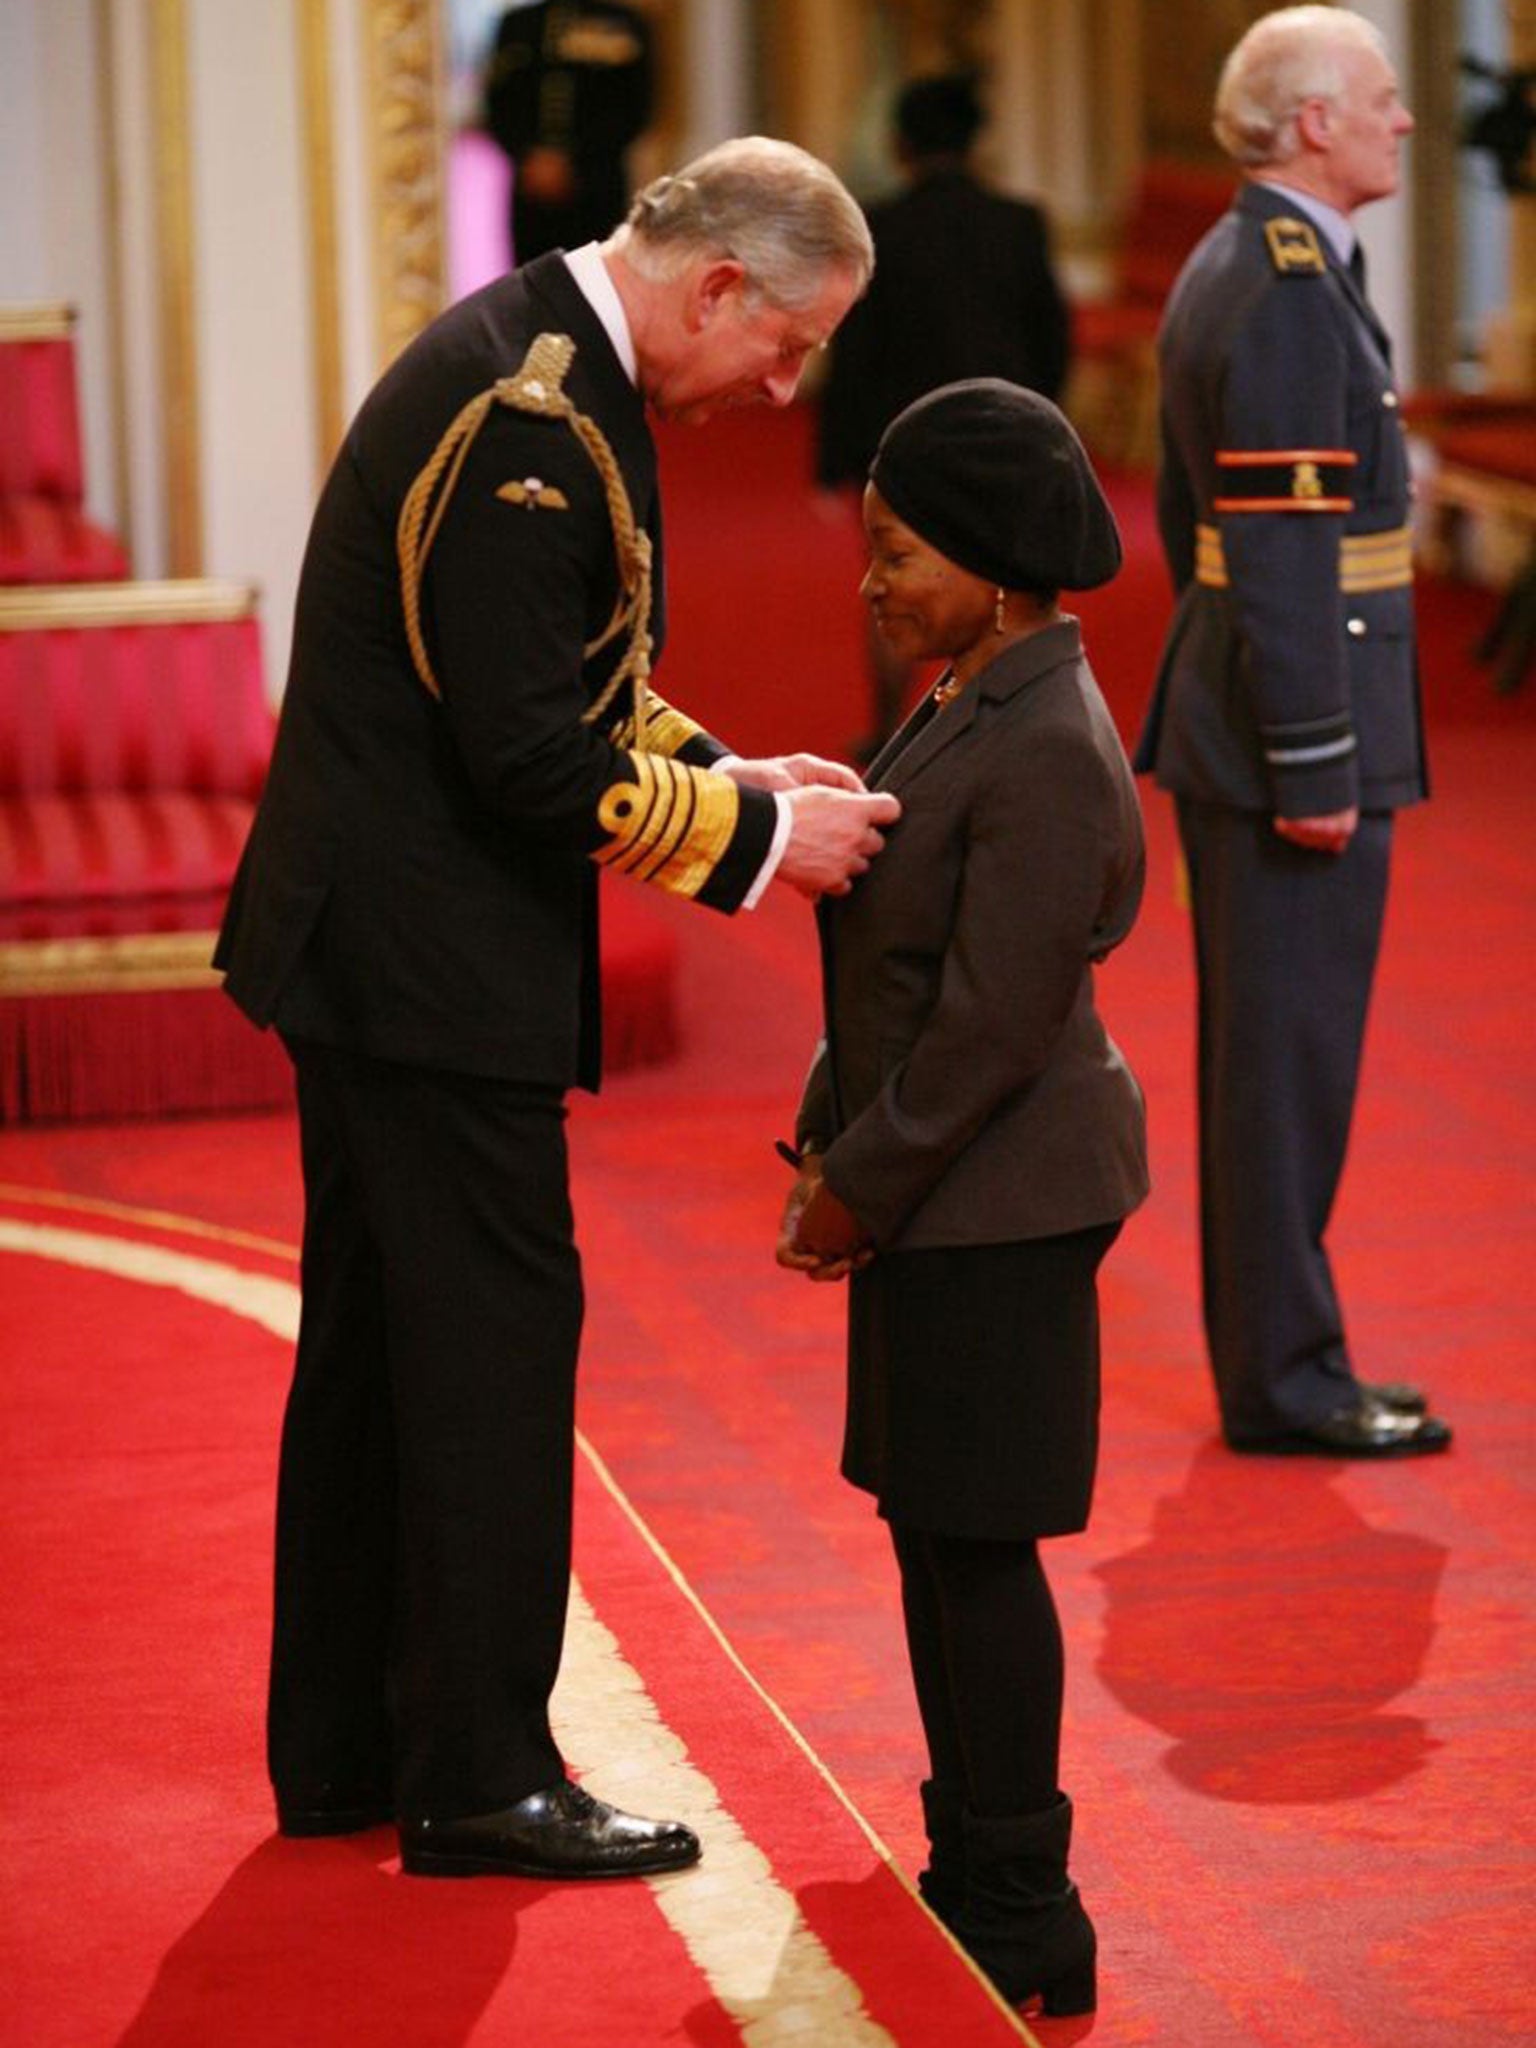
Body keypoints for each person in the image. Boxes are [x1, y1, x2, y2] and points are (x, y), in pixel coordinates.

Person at [215, 136, 899, 1882]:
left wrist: (729, 767)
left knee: (385, 1347)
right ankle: (481, 1775)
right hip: (423, 964)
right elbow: (528, 753)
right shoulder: (534, 417)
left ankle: (351, 1745)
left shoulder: (557, 360)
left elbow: (572, 673)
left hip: (384, 945)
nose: (785, 382)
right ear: (717, 284)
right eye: (790, 341)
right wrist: (759, 839)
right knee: (488, 1355)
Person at [778, 380, 1147, 2017]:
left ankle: (1026, 1903)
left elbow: (995, 1022)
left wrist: (855, 1186)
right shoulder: (972, 689)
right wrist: (827, 1122)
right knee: (935, 1529)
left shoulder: (1045, 735)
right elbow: (900, 950)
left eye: (902, 551)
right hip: (950, 1182)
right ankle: (970, 1851)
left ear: (998, 570)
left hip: (999, 1196)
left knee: (980, 1546)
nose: (873, 577)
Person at [1134, 6, 1452, 1457]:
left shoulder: (1265, 265)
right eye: (1380, 101)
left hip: (1263, 716)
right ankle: (1288, 1381)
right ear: (1313, 123)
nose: (1402, 121)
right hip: (1290, 739)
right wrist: (1315, 760)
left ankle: (1293, 1358)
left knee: (1285, 1067)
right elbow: (1266, 549)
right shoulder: (1278, 288)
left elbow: (1217, 527)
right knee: (1284, 1073)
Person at [815, 72, 1072, 760]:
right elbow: (1051, 338)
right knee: (1005, 588)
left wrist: (835, 461)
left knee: (896, 589)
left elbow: (856, 357)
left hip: (904, 449)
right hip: (1004, 440)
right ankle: (1002, 729)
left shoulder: (880, 228)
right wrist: (1040, 429)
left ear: (900, 144)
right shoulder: (1020, 224)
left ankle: (891, 733)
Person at [483, 0, 655, 266]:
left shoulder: (623, 23)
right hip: (531, 184)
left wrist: (575, 162)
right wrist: (529, 156)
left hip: (597, 185)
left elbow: (635, 107)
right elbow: (498, 102)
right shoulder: (518, 24)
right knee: (530, 282)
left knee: (598, 275)